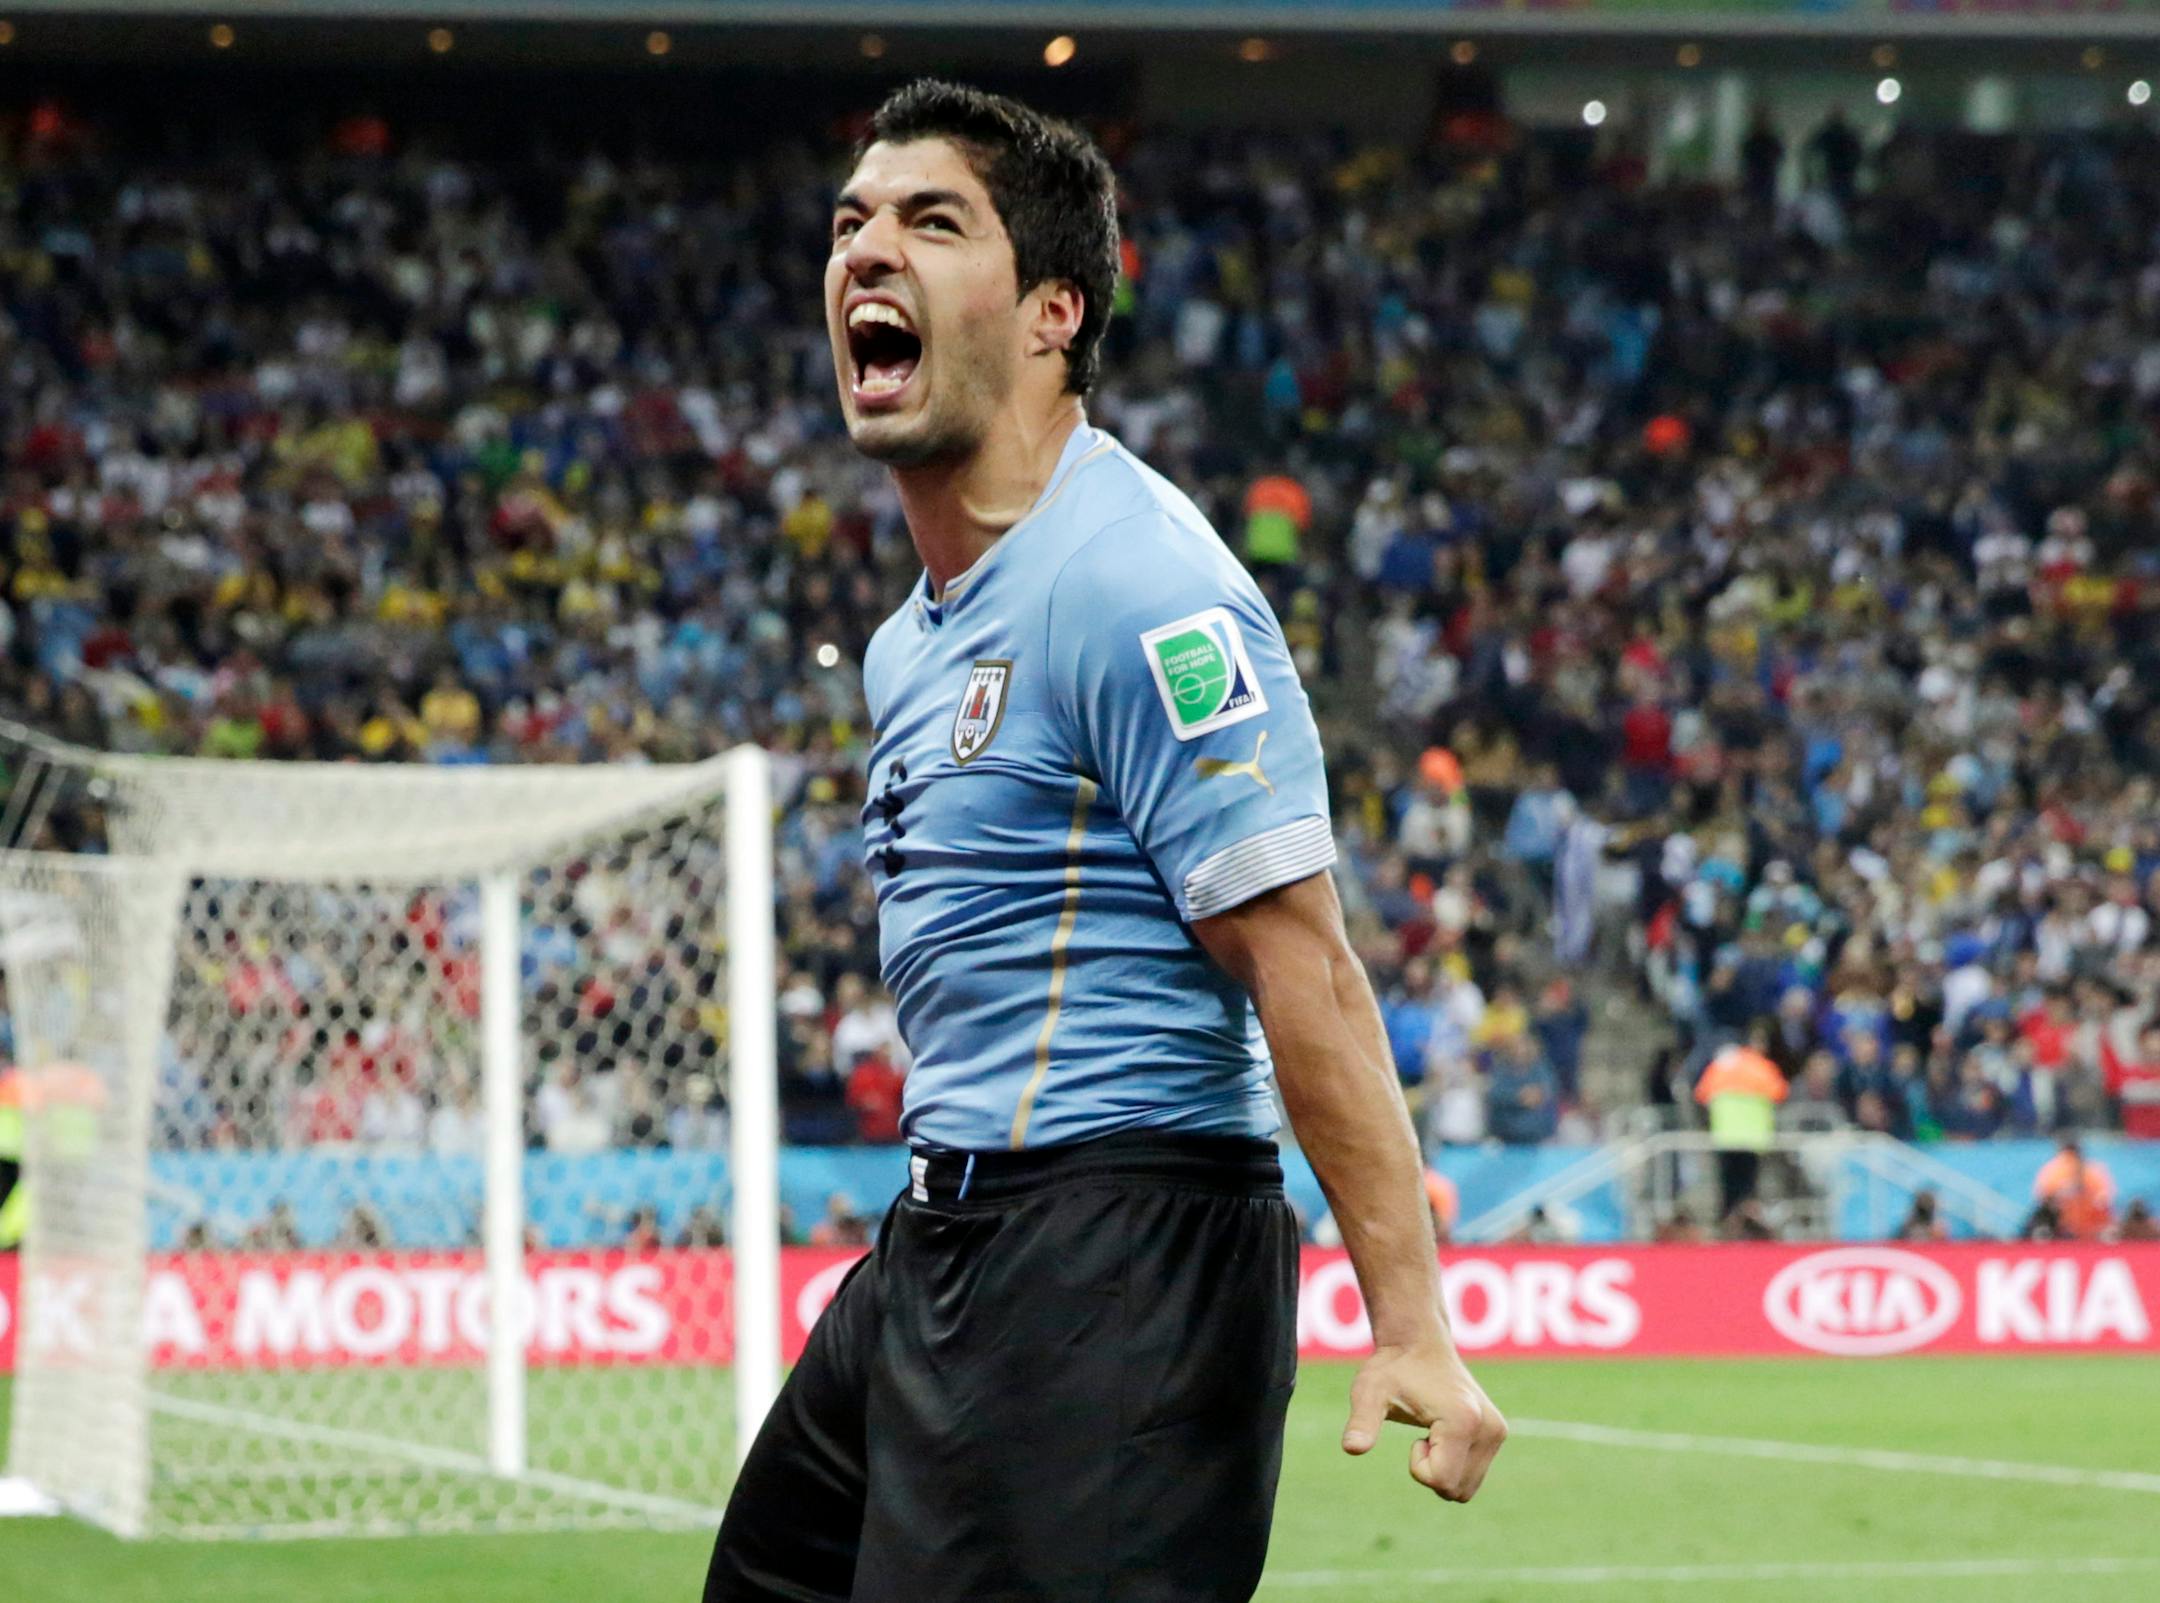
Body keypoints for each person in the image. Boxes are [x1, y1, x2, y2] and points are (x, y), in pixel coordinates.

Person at [706, 80, 1504, 1603]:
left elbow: (1307, 965)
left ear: (1051, 312)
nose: (867, 249)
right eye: (852, 222)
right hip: (949, 1227)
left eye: (932, 221)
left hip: (1120, 1247)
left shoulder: (1138, 583)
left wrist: (1409, 1320)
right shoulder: (911, 641)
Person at [2031, 1139, 2116, 1241]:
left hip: (2078, 1228)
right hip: (2075, 1229)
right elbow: (2104, 1200)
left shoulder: (2052, 1169)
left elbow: (2043, 1197)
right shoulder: (2093, 1170)